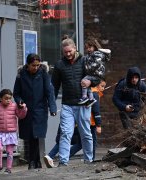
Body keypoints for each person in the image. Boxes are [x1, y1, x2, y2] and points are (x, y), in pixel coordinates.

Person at [52, 38, 95, 166]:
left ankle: (88, 160)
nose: (68, 54)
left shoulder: (85, 61)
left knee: (86, 133)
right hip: (67, 105)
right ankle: (63, 162)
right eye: (65, 52)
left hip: (84, 104)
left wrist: (90, 81)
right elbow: (54, 86)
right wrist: (52, 104)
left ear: (75, 48)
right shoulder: (59, 65)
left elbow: (97, 77)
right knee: (65, 133)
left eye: (69, 51)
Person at [44, 79, 106, 167]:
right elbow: (96, 111)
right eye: (102, 86)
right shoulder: (93, 94)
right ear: (96, 85)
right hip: (89, 123)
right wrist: (98, 124)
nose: (103, 88)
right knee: (85, 140)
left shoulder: (91, 93)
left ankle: (54, 156)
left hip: (81, 121)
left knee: (72, 139)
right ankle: (88, 159)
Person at [13, 53, 57, 169]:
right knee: (30, 136)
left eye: (37, 65)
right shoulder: (21, 75)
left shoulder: (43, 74)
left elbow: (49, 92)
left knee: (37, 135)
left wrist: (52, 108)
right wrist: (19, 102)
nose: (36, 67)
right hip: (27, 110)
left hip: (40, 109)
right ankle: (34, 161)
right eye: (33, 65)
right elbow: (16, 93)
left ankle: (34, 162)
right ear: (28, 64)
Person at [0, 89, 27, 174]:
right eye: (6, 98)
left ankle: (8, 168)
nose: (8, 100)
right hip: (0, 133)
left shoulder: (14, 106)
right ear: (1, 98)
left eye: (10, 98)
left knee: (9, 152)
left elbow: (20, 116)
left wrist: (23, 108)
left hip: (11, 133)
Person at [78, 42, 111, 107]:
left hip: (96, 75)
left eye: (90, 47)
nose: (88, 49)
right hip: (93, 74)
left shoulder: (97, 54)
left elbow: (96, 64)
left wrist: (87, 68)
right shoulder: (90, 55)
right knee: (88, 86)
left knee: (83, 81)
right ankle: (91, 98)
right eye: (87, 48)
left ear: (95, 47)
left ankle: (84, 97)